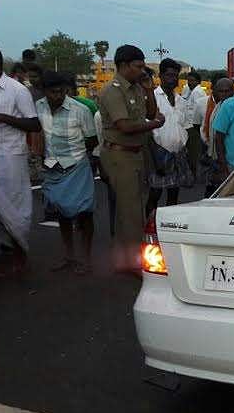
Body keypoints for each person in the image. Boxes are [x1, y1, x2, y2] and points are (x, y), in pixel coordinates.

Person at [98, 44, 164, 272]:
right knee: (133, 212)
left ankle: (123, 259)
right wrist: (154, 125)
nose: (142, 70)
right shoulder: (112, 91)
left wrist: (148, 90)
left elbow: (150, 113)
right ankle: (137, 264)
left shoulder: (135, 87)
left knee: (128, 210)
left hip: (135, 153)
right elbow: (125, 126)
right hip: (120, 154)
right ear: (124, 65)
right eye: (138, 66)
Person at [36, 71, 99, 273]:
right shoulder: (38, 107)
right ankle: (69, 256)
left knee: (84, 213)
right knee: (62, 212)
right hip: (52, 167)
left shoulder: (80, 110)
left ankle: (86, 259)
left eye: (62, 91)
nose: (58, 96)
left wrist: (76, 157)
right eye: (53, 92)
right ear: (44, 91)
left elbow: (92, 139)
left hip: (77, 166)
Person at [0, 44, 41, 275]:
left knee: (13, 210)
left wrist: (2, 118)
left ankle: (20, 255)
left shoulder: (17, 90)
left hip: (10, 158)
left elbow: (34, 124)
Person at [146, 58, 192, 218]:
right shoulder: (152, 98)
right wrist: (155, 158)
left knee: (174, 194)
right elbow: (147, 131)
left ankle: (167, 227)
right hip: (159, 153)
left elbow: (186, 127)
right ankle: (149, 226)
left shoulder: (181, 101)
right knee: (154, 194)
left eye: (175, 76)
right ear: (160, 76)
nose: (173, 79)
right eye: (169, 75)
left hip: (178, 154)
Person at [201, 77, 234, 197]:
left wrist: (223, 164)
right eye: (221, 91)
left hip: (228, 161)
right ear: (215, 92)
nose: (224, 94)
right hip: (216, 159)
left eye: (227, 91)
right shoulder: (217, 106)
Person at [182, 70, 206, 175]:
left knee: (193, 152)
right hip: (189, 124)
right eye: (188, 81)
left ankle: (193, 175)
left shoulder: (197, 92)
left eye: (192, 81)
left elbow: (199, 110)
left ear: (198, 82)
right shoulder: (191, 90)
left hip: (193, 125)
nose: (189, 83)